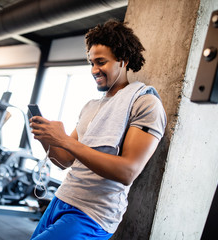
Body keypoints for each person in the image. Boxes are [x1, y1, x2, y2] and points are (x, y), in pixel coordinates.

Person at [29, 19, 167, 240]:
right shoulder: (91, 106)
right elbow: (64, 160)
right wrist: (46, 137)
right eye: (91, 62)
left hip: (92, 214)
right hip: (62, 199)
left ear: (123, 60)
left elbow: (127, 172)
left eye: (101, 62)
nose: (94, 70)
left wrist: (63, 139)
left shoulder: (145, 103)